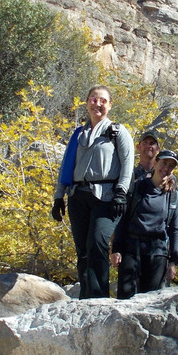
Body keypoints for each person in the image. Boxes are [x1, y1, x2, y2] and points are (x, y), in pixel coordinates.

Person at [51, 84, 134, 298]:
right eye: (94, 99)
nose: (98, 104)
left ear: (110, 105)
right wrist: (58, 196)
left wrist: (121, 192)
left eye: (103, 101)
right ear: (87, 102)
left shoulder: (117, 132)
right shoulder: (79, 134)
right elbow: (66, 165)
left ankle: (98, 298)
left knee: (97, 242)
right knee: (83, 250)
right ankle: (85, 297)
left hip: (106, 197)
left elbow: (127, 164)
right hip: (78, 196)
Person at [111, 149, 178, 298]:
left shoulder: (173, 195)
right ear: (155, 163)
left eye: (171, 166)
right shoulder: (138, 188)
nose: (166, 169)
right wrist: (116, 249)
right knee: (126, 299)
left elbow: (175, 230)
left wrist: (173, 261)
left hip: (157, 252)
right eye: (163, 163)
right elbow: (123, 219)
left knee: (151, 300)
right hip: (132, 248)